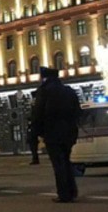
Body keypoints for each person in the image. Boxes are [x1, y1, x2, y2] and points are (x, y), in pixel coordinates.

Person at [32, 67, 82, 203]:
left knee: (58, 164)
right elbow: (78, 112)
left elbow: (38, 114)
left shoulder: (44, 91)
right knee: (66, 161)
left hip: (52, 133)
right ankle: (72, 191)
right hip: (69, 133)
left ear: (45, 78)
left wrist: (36, 133)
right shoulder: (69, 91)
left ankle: (64, 194)